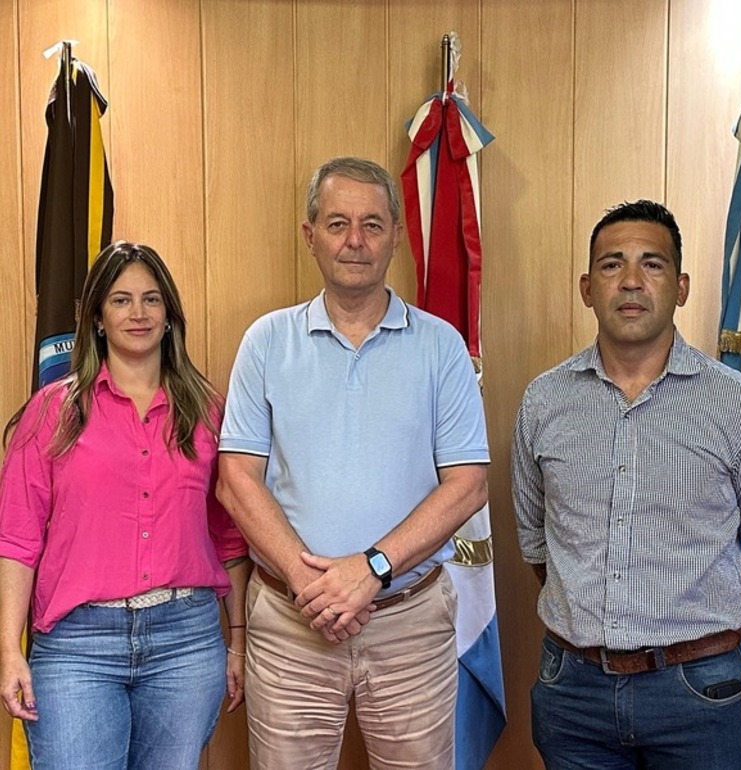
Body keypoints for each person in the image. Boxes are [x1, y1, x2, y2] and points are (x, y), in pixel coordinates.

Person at [217, 156, 489, 769]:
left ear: (397, 235)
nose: (355, 241)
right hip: (291, 625)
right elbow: (236, 482)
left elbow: (468, 487)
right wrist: (311, 583)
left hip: (410, 622)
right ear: (309, 235)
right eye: (338, 223)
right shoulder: (266, 341)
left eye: (372, 224)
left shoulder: (441, 346)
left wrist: (371, 570)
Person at [512, 200, 741, 769]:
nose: (631, 281)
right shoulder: (543, 401)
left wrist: (707, 637)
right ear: (586, 286)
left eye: (652, 265)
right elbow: (536, 542)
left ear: (680, 287)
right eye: (612, 265)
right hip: (571, 692)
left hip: (699, 693)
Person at [0, 242, 251, 770]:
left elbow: (230, 536)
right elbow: (17, 539)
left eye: (151, 300)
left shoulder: (208, 413)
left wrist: (238, 641)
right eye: (120, 300)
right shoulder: (51, 414)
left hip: (187, 642)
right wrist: (8, 650)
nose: (138, 314)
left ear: (169, 315)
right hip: (75, 649)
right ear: (96, 318)